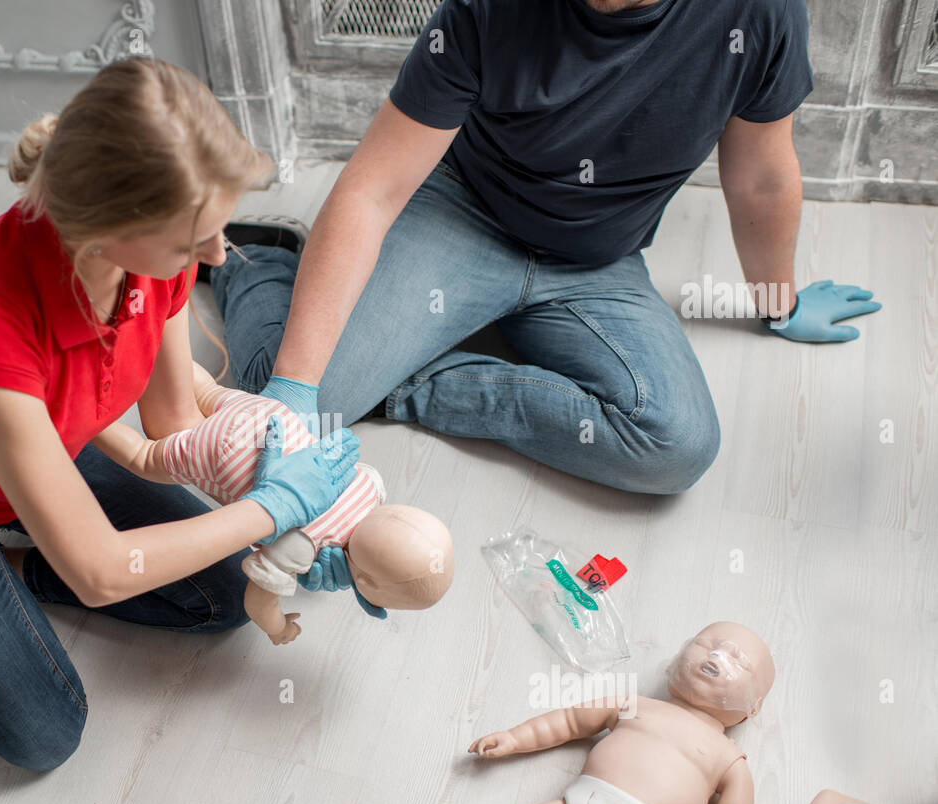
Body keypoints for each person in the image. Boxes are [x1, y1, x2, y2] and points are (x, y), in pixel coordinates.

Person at [0, 57, 360, 772]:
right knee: (47, 733)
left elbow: (170, 421)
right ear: (106, 230)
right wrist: (271, 508)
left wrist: (296, 514)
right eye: (192, 238)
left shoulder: (155, 263)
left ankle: (16, 560)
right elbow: (104, 574)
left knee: (227, 596)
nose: (219, 253)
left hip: (54, 440)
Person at [209, 0, 882, 535]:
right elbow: (371, 189)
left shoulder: (758, 13)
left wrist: (780, 302)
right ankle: (256, 263)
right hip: (462, 217)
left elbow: (762, 175)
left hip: (597, 263)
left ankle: (410, 383)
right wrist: (301, 385)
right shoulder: (487, 9)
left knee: (677, 444)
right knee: (291, 407)